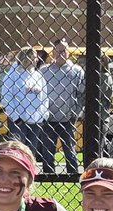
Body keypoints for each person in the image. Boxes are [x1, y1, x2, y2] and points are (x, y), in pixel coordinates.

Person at [0, 48, 50, 168]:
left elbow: (45, 98)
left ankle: (29, 171)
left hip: (36, 121)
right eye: (33, 57)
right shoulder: (12, 76)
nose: (36, 60)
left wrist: (44, 116)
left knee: (31, 151)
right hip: (18, 121)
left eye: (36, 58)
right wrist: (15, 117)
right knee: (18, 150)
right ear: (24, 58)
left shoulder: (38, 76)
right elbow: (6, 98)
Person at [40, 39, 83, 173]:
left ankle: (73, 175)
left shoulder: (76, 71)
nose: (61, 54)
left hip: (68, 118)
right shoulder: (44, 71)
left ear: (68, 52)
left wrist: (75, 113)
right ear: (53, 52)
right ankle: (48, 175)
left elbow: (82, 94)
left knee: (70, 149)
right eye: (58, 51)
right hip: (48, 118)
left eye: (64, 51)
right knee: (47, 150)